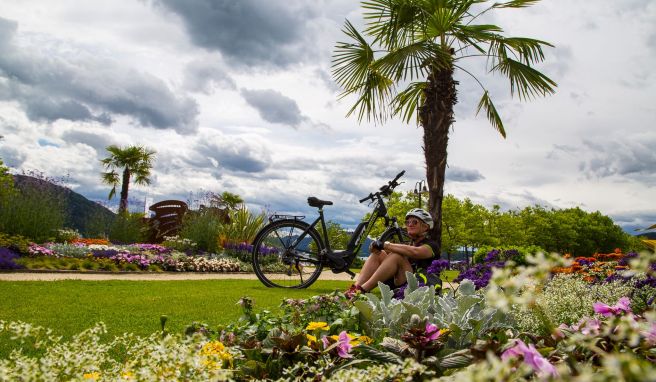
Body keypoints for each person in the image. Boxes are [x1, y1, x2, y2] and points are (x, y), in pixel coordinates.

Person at [345, 208, 439, 298]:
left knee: (396, 256)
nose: (410, 224)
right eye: (407, 222)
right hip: (401, 283)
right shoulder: (408, 245)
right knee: (379, 254)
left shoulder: (432, 246)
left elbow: (415, 252)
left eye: (414, 222)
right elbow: (388, 251)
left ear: (425, 227)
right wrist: (376, 248)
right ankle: (354, 289)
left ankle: (361, 291)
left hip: (420, 287)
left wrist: (385, 245)